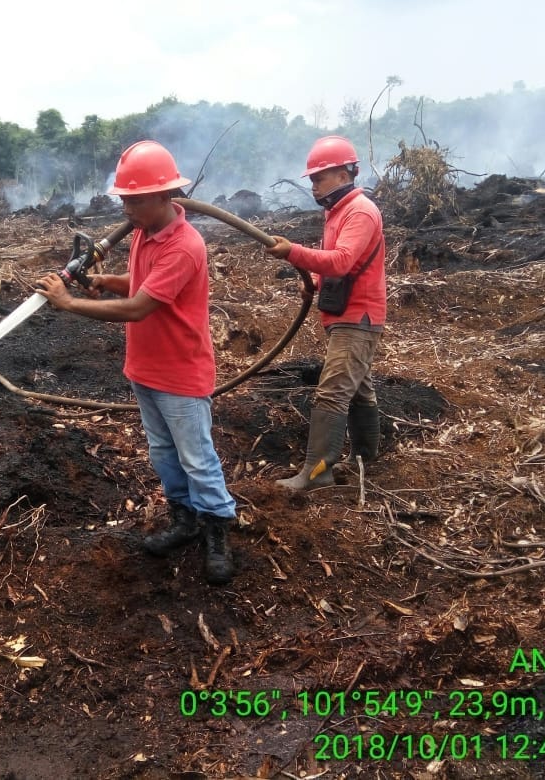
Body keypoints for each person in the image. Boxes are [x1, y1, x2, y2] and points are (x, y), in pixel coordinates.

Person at [36, 140, 236, 585]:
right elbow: (142, 281)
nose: (126, 208)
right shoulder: (146, 233)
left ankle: (217, 530)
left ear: (166, 196)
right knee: (164, 454)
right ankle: (184, 521)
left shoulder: (185, 246)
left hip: (180, 374)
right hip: (144, 369)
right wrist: (105, 280)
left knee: (197, 458)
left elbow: (139, 306)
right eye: (123, 199)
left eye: (135, 199)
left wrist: (67, 303)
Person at [265, 135, 386, 492]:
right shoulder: (337, 213)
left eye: (319, 178)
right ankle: (366, 459)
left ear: (343, 173)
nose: (315, 186)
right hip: (345, 314)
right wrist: (315, 284)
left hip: (358, 318)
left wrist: (293, 252)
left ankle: (317, 474)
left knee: (331, 392)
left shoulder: (360, 211)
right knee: (359, 390)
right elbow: (340, 265)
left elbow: (343, 259)